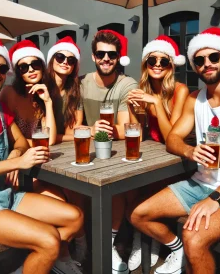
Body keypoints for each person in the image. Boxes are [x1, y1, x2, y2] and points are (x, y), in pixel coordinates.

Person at [128, 27, 220, 274]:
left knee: (194, 236)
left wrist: (216, 199)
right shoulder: (195, 99)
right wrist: (189, 151)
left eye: (213, 57)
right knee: (137, 214)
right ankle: (176, 251)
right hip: (202, 182)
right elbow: (173, 139)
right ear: (193, 65)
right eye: (199, 60)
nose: (206, 64)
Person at [0, 35, 83, 274]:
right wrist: (15, 162)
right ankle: (42, 257)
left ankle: (35, 264)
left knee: (75, 217)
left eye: (2, 68)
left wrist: (14, 155)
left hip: (4, 193)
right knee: (48, 240)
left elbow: (20, 141)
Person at [0, 39, 85, 274]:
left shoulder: (44, 94)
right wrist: (21, 152)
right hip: (19, 170)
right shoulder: (8, 93)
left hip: (38, 165)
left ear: (41, 65)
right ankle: (59, 256)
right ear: (17, 71)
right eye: (23, 66)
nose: (30, 70)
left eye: (34, 64)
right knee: (59, 202)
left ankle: (52, 255)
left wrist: (47, 101)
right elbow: (6, 136)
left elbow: (48, 140)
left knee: (71, 198)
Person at [127, 35, 189, 271]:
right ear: (145, 63)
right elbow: (138, 134)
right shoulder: (141, 89)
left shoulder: (180, 90)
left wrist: (154, 103)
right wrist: (133, 109)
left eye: (164, 61)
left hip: (175, 160)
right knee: (129, 191)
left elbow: (171, 136)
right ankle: (144, 239)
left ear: (171, 66)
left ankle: (155, 240)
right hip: (153, 156)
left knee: (145, 194)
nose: (158, 64)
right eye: (153, 59)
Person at [80, 30, 137, 274]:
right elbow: (74, 124)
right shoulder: (81, 83)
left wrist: (107, 127)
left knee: (118, 190)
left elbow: (126, 130)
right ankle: (81, 242)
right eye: (101, 53)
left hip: (116, 153)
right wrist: (90, 129)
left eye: (111, 55)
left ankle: (109, 244)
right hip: (86, 153)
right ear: (93, 56)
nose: (106, 58)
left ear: (118, 57)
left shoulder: (126, 83)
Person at [45, 36, 83, 143]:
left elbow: (72, 131)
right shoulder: (43, 88)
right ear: (52, 60)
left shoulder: (74, 91)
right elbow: (44, 135)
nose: (65, 62)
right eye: (60, 57)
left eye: (71, 60)